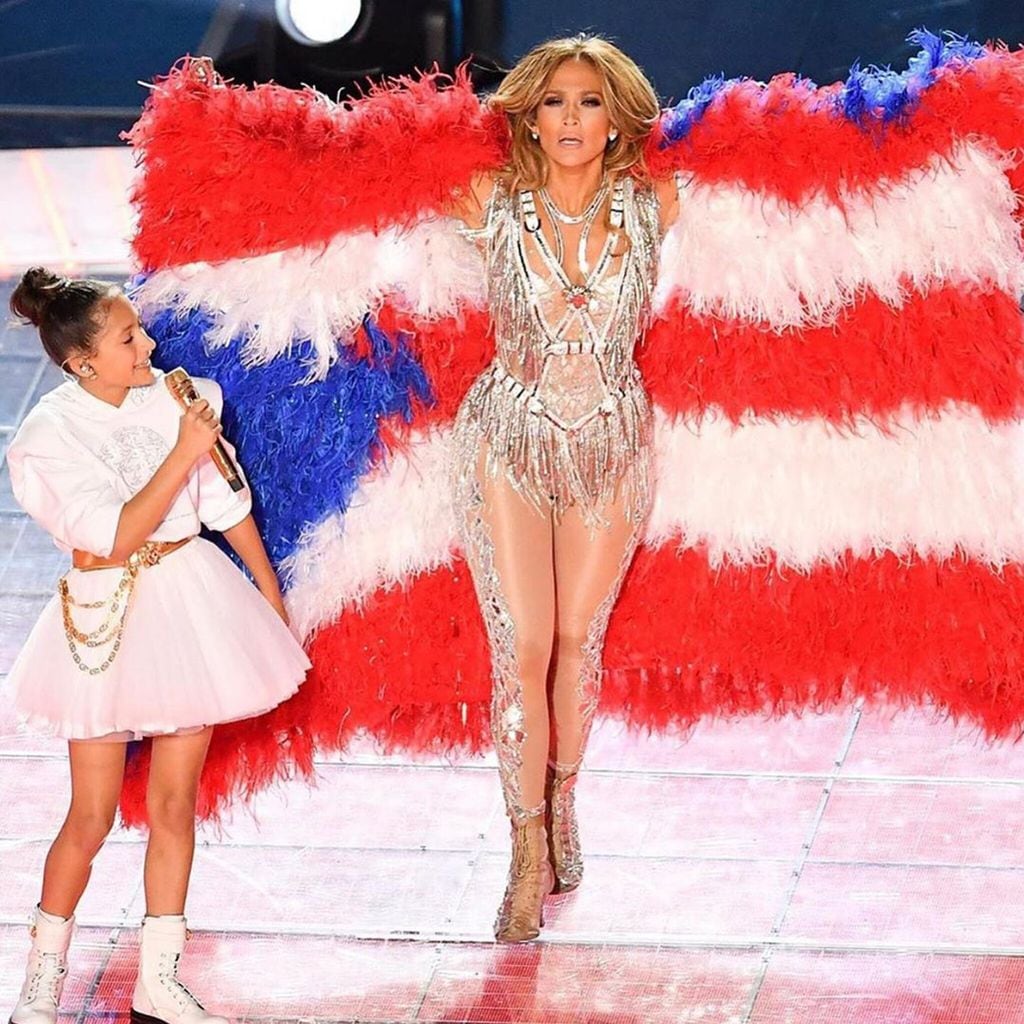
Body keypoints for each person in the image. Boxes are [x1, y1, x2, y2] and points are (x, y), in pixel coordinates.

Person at [4, 268, 310, 1024]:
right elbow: (112, 534)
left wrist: (269, 597)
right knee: (91, 815)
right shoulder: (47, 437)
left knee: (176, 805)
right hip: (103, 618)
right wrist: (182, 448)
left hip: (188, 605)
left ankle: (159, 976)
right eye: (127, 338)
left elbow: (221, 501)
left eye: (139, 330)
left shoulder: (181, 395)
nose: (147, 345)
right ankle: (43, 972)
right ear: (82, 363)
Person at [450, 36, 680, 942]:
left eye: (589, 102)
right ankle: (521, 854)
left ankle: (564, 805)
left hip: (614, 443)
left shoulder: (658, 204)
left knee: (578, 641)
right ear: (528, 116)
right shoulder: (485, 202)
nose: (572, 120)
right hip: (507, 437)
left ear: (618, 114)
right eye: (553, 103)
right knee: (524, 642)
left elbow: (800, 180)